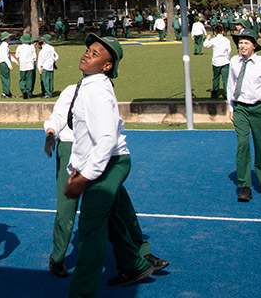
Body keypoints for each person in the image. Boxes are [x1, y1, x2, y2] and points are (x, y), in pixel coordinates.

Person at [63, 34, 158, 298]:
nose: (86, 54)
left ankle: (81, 294)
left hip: (107, 164)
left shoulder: (97, 90)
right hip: (99, 163)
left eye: (95, 54)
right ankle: (135, 264)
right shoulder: (88, 84)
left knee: (90, 236)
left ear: (107, 66)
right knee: (115, 218)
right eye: (88, 50)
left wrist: (83, 178)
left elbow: (105, 139)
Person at [43, 83, 168, 280]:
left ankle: (142, 254)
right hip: (70, 147)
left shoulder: (105, 91)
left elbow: (113, 126)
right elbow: (58, 116)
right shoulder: (73, 90)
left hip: (98, 152)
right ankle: (57, 258)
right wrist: (50, 132)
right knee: (67, 206)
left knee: (121, 204)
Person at [227, 29, 261, 202]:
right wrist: (231, 107)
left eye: (246, 43)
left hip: (258, 108)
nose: (242, 46)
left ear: (254, 46)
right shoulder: (234, 61)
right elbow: (231, 85)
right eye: (240, 43)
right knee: (242, 144)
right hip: (240, 108)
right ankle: (244, 185)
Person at [204, 24, 231, 99]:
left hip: (216, 61)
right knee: (226, 79)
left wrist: (207, 38)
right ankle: (227, 94)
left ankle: (214, 93)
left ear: (215, 32)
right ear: (222, 32)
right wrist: (227, 58)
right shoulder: (226, 40)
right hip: (225, 61)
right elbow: (229, 50)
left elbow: (205, 45)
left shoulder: (214, 40)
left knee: (216, 78)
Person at [0, 31, 18, 98]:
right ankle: (6, 93)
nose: (10, 38)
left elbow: (9, 55)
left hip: (4, 63)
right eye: (9, 37)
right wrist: (10, 66)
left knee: (5, 78)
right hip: (4, 63)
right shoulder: (4, 46)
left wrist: (15, 61)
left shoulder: (5, 46)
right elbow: (6, 57)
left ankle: (6, 92)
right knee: (6, 78)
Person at [15, 33, 37, 99]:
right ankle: (29, 93)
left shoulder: (19, 47)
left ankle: (23, 89)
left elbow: (17, 56)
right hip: (30, 65)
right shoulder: (31, 47)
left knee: (22, 79)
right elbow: (34, 57)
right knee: (29, 79)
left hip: (22, 65)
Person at [37, 34, 59, 99]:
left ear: (44, 41)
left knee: (45, 80)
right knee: (50, 80)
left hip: (45, 66)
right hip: (51, 66)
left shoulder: (44, 49)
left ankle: (47, 93)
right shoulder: (52, 48)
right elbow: (57, 57)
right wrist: (53, 60)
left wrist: (40, 67)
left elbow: (42, 59)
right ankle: (50, 92)